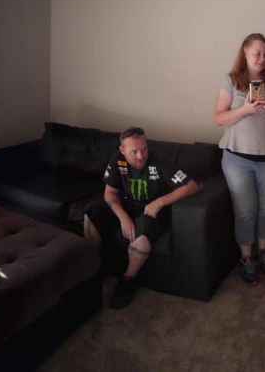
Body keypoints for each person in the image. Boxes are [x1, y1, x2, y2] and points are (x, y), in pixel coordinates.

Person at [84, 127, 202, 309]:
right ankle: (93, 268)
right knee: (92, 211)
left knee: (143, 233)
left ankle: (127, 279)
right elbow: (110, 193)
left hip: (153, 210)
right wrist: (123, 216)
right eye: (134, 151)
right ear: (123, 150)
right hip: (128, 205)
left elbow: (191, 186)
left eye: (144, 149)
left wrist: (160, 202)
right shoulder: (117, 160)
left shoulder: (159, 161)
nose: (141, 156)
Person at [213, 33, 265, 286]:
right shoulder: (231, 80)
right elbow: (218, 117)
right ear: (245, 53)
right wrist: (245, 110)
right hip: (237, 160)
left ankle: (264, 251)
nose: (262, 58)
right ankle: (247, 258)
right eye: (257, 53)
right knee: (245, 211)